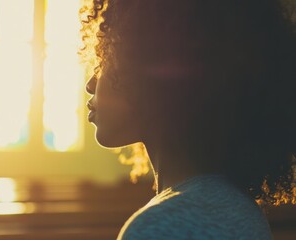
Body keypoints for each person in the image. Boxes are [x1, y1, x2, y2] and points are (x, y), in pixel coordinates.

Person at [80, 0, 296, 239]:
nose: (90, 84)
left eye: (104, 61)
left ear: (155, 81)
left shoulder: (162, 226)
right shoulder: (238, 207)